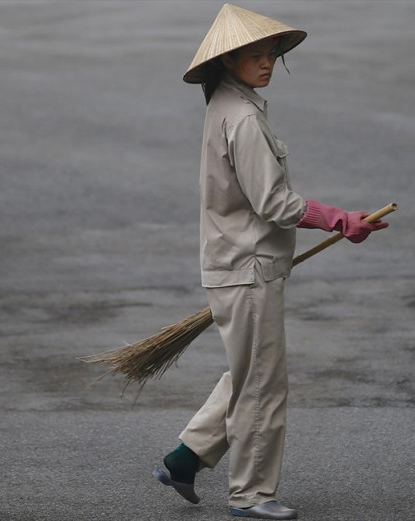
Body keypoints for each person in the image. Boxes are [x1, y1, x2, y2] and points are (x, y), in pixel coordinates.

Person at [152, 4, 388, 519]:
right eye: (254, 55)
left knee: (249, 372)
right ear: (228, 61)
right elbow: (274, 204)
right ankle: (251, 495)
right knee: (262, 384)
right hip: (248, 268)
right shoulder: (242, 119)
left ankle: (183, 459)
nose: (266, 63)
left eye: (270, 55)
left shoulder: (225, 106)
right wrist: (339, 219)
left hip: (236, 265)